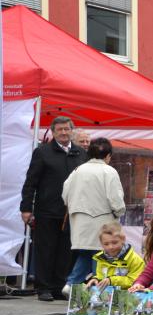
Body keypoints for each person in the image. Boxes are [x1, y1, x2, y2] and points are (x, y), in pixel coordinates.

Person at [21, 116, 88, 301]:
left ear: (71, 130)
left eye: (67, 129)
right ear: (53, 131)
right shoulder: (42, 152)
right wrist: (26, 208)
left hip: (72, 212)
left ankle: (59, 286)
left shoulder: (81, 153)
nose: (64, 133)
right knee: (45, 249)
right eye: (60, 130)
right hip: (47, 210)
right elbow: (30, 182)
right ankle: (43, 287)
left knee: (66, 251)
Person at [61, 138, 126, 296]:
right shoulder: (109, 171)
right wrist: (119, 212)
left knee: (86, 254)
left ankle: (71, 284)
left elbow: (65, 195)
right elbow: (115, 199)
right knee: (100, 256)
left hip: (79, 223)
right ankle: (97, 291)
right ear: (108, 155)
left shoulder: (77, 170)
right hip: (102, 222)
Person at [85, 221, 145, 290]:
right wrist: (96, 280)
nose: (111, 247)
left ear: (123, 239)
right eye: (106, 244)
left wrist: (112, 281)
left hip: (126, 295)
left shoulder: (135, 260)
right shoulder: (100, 258)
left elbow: (135, 281)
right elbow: (100, 276)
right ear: (101, 244)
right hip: (107, 297)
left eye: (114, 242)